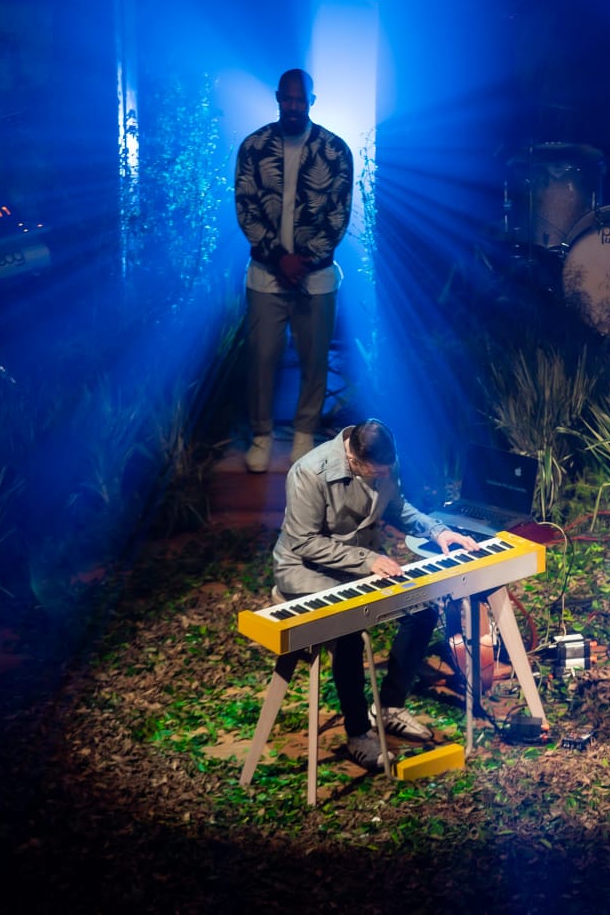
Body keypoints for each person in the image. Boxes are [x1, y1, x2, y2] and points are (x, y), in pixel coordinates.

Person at [274, 418, 479, 769]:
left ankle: (388, 706)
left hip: (359, 565)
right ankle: (357, 734)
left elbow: (397, 507)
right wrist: (367, 559)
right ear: (354, 459)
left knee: (423, 610)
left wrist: (437, 531)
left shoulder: (383, 464)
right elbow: (304, 542)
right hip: (307, 569)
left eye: (388, 471)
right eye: (377, 472)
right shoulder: (308, 472)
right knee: (350, 630)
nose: (385, 476)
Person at [235, 68, 354, 472]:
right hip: (266, 275)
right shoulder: (254, 146)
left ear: (312, 102)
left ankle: (304, 435)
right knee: (262, 356)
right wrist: (277, 257)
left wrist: (302, 258)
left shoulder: (335, 150)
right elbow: (245, 206)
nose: (293, 106)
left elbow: (339, 215)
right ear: (277, 98)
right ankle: (262, 436)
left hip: (315, 277)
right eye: (287, 98)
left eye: (300, 100)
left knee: (314, 359)